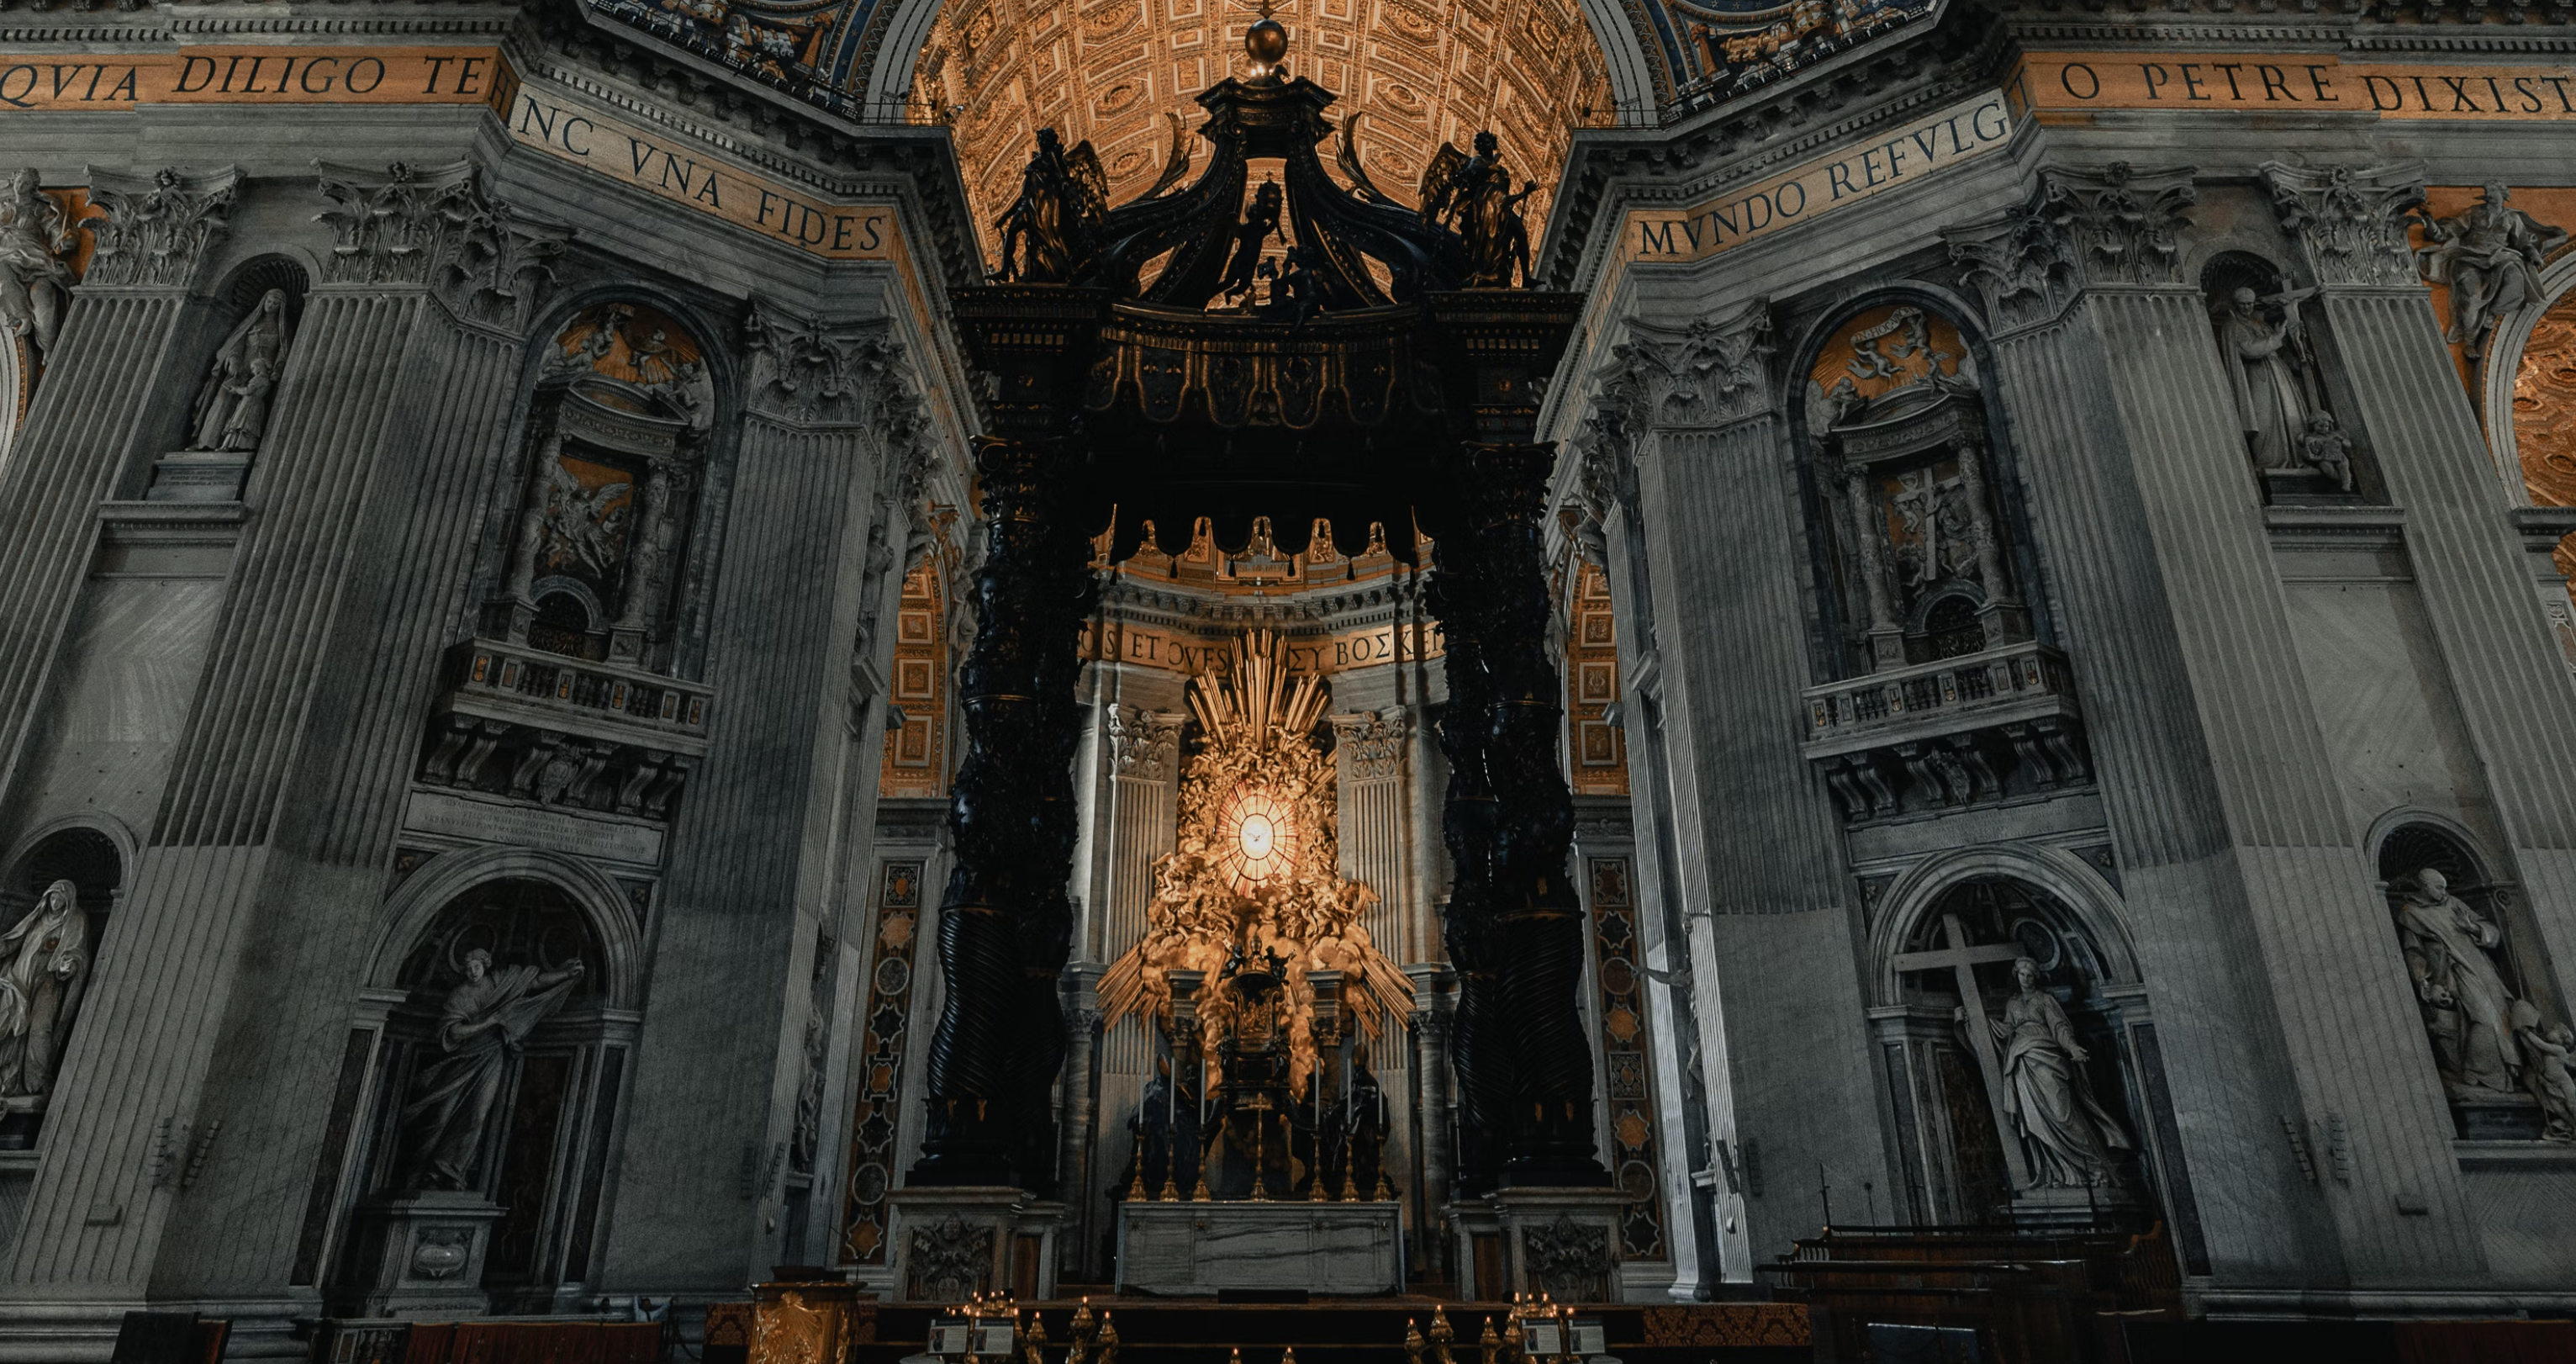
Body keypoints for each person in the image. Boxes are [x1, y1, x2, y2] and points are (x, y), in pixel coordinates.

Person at [395, 948, 585, 1190]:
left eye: (476, 966)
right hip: (463, 1060)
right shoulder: (459, 995)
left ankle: (449, 1173)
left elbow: (535, 981)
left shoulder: (502, 982)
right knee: (439, 1119)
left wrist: (565, 974)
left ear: (485, 965)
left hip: (492, 1057)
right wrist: (489, 1022)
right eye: (467, 969)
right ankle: (416, 1172)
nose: (472, 972)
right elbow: (454, 1032)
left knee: (477, 1116)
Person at [1990, 956, 2132, 1187]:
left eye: (2029, 975)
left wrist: (2073, 1047)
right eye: (2022, 974)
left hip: (2047, 1059)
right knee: (2037, 1120)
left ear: (2036, 977)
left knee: (2062, 1114)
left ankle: (2094, 1166)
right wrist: (1974, 1021)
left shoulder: (2045, 1000)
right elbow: (2005, 1030)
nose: (2025, 979)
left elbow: (2060, 1026)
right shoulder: (2013, 1004)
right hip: (2022, 1064)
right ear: (2017, 976)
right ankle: (2059, 1173)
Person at [2393, 867, 2523, 1095]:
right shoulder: (2410, 913)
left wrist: (2472, 928)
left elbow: (2492, 931)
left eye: (2445, 887)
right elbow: (2414, 953)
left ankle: (2504, 1075)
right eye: (2438, 887)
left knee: (2502, 1016)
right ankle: (2478, 1073)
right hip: (2452, 971)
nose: (2444, 892)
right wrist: (2426, 983)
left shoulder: (2454, 904)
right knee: (2483, 1018)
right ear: (2424, 887)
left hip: (2481, 967)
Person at [2415, 183, 2570, 359]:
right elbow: (2442, 234)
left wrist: (2533, 253)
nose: (2489, 196)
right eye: (2487, 193)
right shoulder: (2474, 212)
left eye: (2493, 193)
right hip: (2470, 256)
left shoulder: (2512, 217)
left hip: (2500, 257)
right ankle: (2470, 343)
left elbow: (2523, 243)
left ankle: (2492, 312)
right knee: (2471, 297)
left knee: (2515, 277)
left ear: (2503, 195)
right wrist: (2428, 221)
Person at [2212, 283, 2319, 469]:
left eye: (2250, 303)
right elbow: (2249, 350)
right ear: (2235, 304)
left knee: (2289, 413)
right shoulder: (2233, 326)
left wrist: (2299, 361)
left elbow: (2280, 354)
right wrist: (2277, 337)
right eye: (2243, 304)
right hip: (2256, 378)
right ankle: (2270, 461)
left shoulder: (2261, 324)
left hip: (2279, 375)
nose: (2247, 307)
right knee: (2265, 419)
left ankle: (2297, 458)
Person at [0, 880, 89, 1102]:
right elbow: (13, 941)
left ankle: (37, 1082)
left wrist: (67, 966)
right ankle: (8, 1081)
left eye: (61, 899)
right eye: (53, 897)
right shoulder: (37, 918)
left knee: (41, 1029)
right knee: (11, 1026)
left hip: (47, 982)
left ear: (69, 901)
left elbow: (74, 952)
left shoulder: (74, 920)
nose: (56, 902)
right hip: (20, 979)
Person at [189, 288, 295, 452]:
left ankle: (237, 444)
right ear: (263, 301)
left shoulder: (283, 328)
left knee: (247, 407)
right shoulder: (252, 322)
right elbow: (237, 342)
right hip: (241, 369)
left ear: (281, 307)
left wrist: (277, 368)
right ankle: (206, 443)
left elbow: (283, 351)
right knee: (222, 401)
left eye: (275, 303)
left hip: (261, 374)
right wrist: (233, 359)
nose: (270, 305)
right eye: (269, 301)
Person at [0, 169, 76, 360]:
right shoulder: (4, 207)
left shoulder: (38, 209)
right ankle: (23, 315)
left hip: (35, 260)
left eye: (26, 183)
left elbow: (56, 230)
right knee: (2, 270)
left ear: (33, 187)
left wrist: (65, 241)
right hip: (7, 256)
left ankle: (49, 350)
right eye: (18, 181)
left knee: (42, 295)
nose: (20, 186)